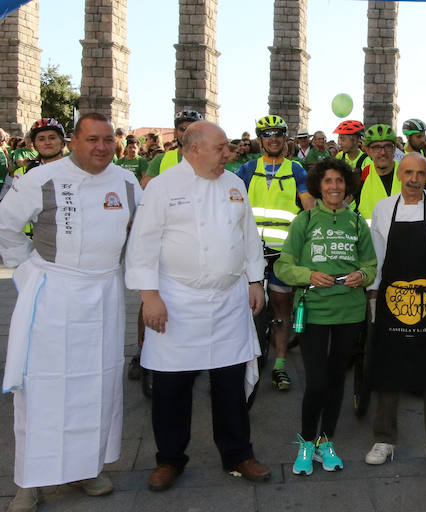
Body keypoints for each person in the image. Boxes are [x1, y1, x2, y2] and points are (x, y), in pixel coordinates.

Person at [0, 113, 141, 511]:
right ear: (74, 142)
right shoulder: (40, 179)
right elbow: (6, 226)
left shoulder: (126, 181)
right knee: (43, 387)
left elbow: (143, 231)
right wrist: (25, 270)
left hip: (105, 294)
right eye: (92, 139)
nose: (101, 147)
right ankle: (30, 481)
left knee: (96, 386)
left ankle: (85, 468)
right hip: (53, 295)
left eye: (108, 140)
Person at [125, 120, 271, 492]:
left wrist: (255, 280)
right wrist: (149, 297)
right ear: (194, 150)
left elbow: (248, 236)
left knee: (230, 387)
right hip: (176, 301)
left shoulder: (235, 184)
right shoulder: (162, 187)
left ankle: (238, 454)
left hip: (228, 301)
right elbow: (143, 244)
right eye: (221, 147)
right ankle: (170, 459)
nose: (230, 152)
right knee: (171, 389)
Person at [274, 157, 377, 475]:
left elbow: (371, 265)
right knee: (316, 382)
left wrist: (362, 274)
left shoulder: (358, 223)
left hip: (350, 311)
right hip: (315, 310)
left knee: (335, 382)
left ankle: (324, 441)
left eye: (340, 181)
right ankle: (306, 441)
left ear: (348, 186)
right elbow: (283, 266)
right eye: (328, 181)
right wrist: (308, 274)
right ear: (318, 185)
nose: (334, 186)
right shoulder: (304, 221)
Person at [364, 153, 426, 468]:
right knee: (387, 370)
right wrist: (372, 296)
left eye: (420, 173)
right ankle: (384, 439)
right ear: (398, 175)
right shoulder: (382, 209)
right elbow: (377, 257)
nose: (414, 179)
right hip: (390, 301)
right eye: (408, 172)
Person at [235, 115, 314, 391]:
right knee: (242, 308)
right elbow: (230, 202)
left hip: (283, 252)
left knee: (282, 309)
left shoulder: (296, 170)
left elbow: (309, 208)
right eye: (268, 135)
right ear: (260, 140)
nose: (273, 139)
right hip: (251, 250)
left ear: (285, 139)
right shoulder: (246, 169)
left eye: (278, 134)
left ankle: (280, 364)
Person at [0, 118, 68, 201]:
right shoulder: (24, 174)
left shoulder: (77, 171)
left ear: (62, 143)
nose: (47, 142)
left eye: (52, 138)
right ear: (34, 146)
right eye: (41, 139)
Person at [141, 110, 204, 187]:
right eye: (183, 129)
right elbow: (147, 189)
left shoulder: (213, 160)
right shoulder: (160, 159)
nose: (187, 133)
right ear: (175, 132)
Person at [356, 124, 401, 219]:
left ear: (394, 148)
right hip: (371, 232)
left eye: (388, 146)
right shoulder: (363, 174)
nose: (383, 152)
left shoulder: (407, 172)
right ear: (367, 150)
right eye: (376, 147)